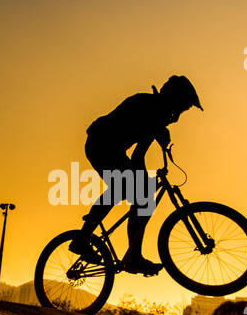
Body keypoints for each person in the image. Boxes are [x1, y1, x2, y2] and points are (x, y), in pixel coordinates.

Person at [69, 75, 202, 275]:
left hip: (111, 148)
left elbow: (140, 154)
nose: (181, 114)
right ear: (175, 99)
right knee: (127, 189)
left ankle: (131, 255)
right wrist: (144, 183)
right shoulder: (150, 109)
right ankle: (85, 240)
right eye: (184, 107)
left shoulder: (157, 115)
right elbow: (138, 156)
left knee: (140, 196)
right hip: (100, 144)